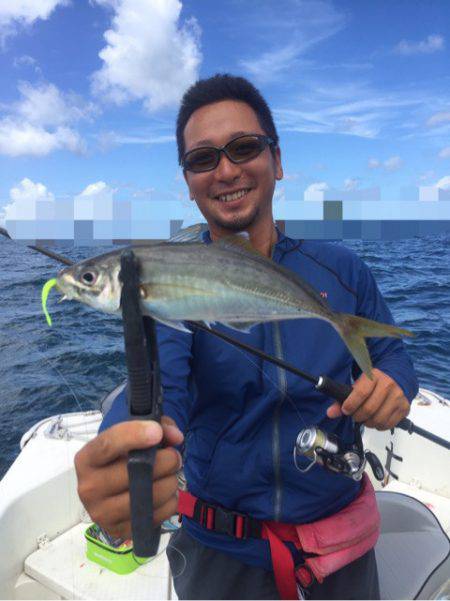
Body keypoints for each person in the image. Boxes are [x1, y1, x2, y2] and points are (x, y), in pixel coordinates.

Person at [75, 74, 418, 600]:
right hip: (220, 556)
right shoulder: (170, 287)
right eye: (203, 159)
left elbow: (392, 355)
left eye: (244, 147)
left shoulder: (343, 270)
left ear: (277, 162)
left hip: (340, 548)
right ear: (188, 181)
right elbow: (159, 386)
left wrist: (393, 385)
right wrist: (124, 445)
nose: (226, 170)